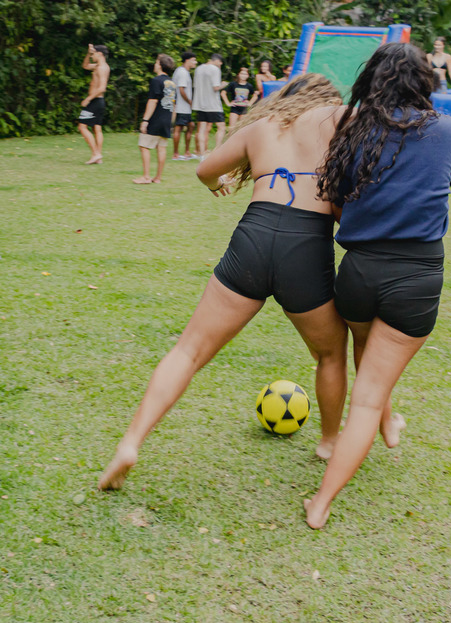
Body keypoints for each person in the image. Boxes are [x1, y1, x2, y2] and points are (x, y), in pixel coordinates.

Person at [99, 75, 348, 490]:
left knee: (189, 350)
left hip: (254, 234)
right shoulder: (337, 121)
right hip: (306, 244)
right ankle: (328, 441)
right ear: (327, 100)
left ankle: (130, 443)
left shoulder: (262, 127)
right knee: (330, 354)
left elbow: (205, 171)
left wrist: (223, 183)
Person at [303, 43, 451, 530]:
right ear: (425, 81)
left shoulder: (353, 131)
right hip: (415, 276)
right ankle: (322, 502)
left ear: (372, 80)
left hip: (358, 271)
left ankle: (389, 423)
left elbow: (335, 204)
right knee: (368, 396)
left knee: (367, 352)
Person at [135, 54, 176, 185]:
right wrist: (172, 122)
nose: (154, 64)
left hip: (156, 118)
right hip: (166, 118)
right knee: (161, 148)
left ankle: (146, 177)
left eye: (156, 62)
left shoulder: (156, 81)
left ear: (160, 65)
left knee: (143, 146)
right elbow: (174, 104)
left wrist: (145, 120)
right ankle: (157, 177)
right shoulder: (172, 83)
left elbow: (152, 101)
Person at [78, 44, 110, 165]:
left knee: (82, 126)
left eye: (94, 54)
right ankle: (98, 156)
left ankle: (96, 153)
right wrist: (88, 53)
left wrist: (88, 99)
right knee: (97, 128)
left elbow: (102, 88)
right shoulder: (99, 66)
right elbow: (85, 66)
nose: (92, 56)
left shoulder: (101, 68)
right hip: (99, 101)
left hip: (95, 101)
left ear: (100, 54)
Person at [193, 53, 226, 157]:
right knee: (221, 127)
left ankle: (202, 153)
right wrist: (223, 85)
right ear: (217, 61)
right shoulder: (215, 69)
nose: (220, 65)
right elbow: (215, 87)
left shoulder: (198, 69)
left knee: (201, 129)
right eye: (220, 63)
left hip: (200, 103)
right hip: (213, 104)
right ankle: (217, 150)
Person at [172, 52, 198, 161]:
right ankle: (176, 154)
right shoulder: (182, 72)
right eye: (193, 60)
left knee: (191, 125)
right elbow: (181, 89)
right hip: (182, 107)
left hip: (185, 107)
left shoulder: (183, 71)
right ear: (187, 60)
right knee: (178, 128)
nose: (195, 62)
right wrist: (190, 101)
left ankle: (187, 152)